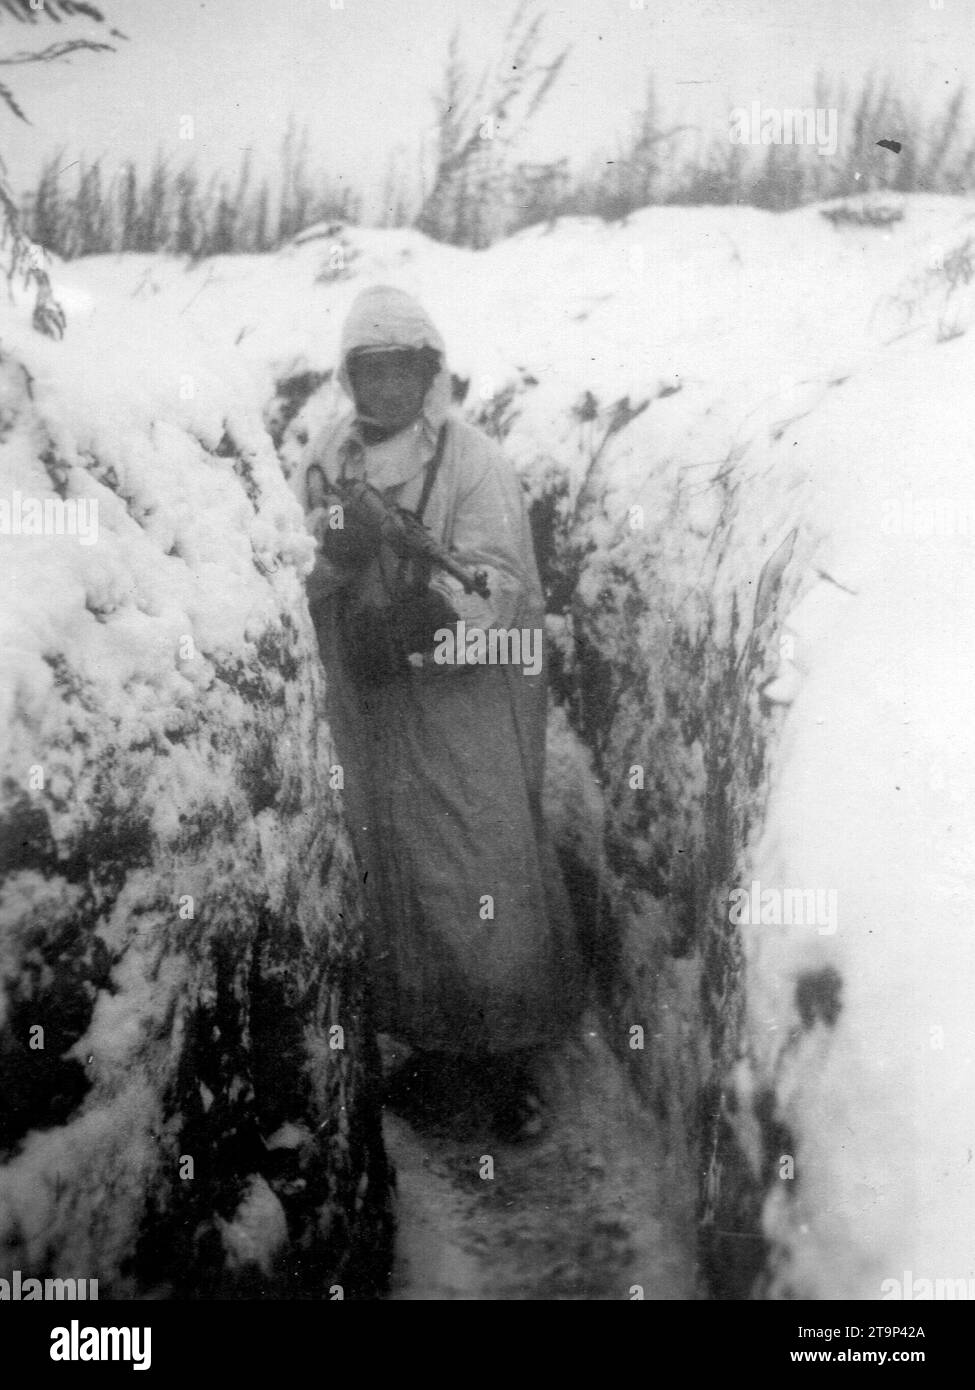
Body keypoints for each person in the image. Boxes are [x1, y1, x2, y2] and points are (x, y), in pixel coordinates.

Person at [295, 285, 581, 1138]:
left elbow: (503, 587)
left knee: (482, 866)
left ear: (430, 372)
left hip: (463, 711)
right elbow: (289, 555)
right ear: (351, 377)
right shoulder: (326, 456)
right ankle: (439, 1045)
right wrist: (334, 562)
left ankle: (509, 1064)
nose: (388, 388)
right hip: (376, 705)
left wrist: (424, 624)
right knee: (409, 878)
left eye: (404, 371)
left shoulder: (473, 462)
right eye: (371, 372)